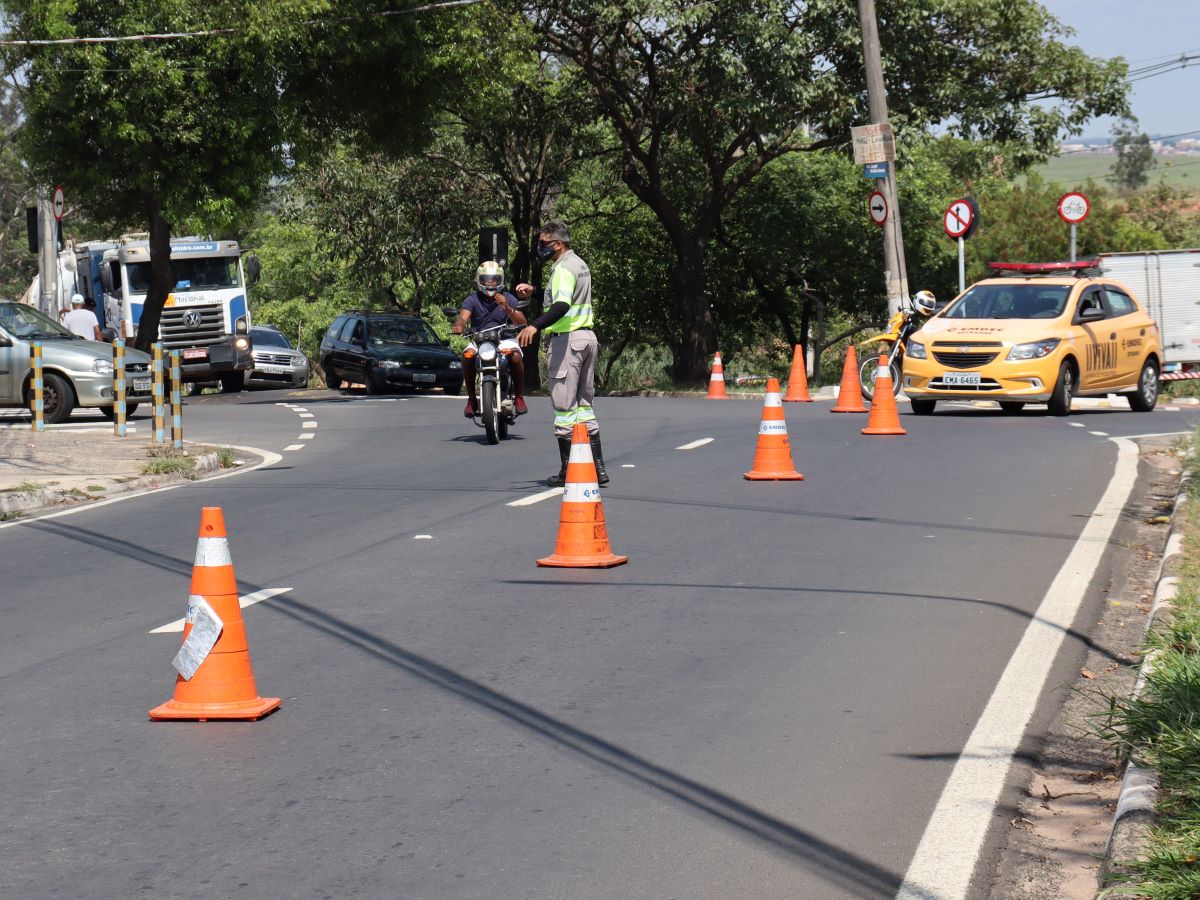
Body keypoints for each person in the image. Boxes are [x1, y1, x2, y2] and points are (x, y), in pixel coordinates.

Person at [516, 220, 608, 487]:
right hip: (587, 338)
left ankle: (568, 471)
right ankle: (599, 469)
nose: (540, 248)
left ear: (558, 244)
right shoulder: (579, 264)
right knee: (583, 408)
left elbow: (562, 305)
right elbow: (565, 297)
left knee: (564, 409)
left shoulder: (562, 269)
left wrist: (534, 325)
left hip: (568, 341)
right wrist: (535, 292)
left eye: (543, 243)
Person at [452, 261, 528, 418]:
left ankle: (519, 397)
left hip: (505, 339)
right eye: (487, 279)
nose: (491, 283)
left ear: (500, 280)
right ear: (480, 280)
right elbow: (463, 317)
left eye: (494, 279)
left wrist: (507, 307)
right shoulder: (472, 299)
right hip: (479, 340)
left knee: (515, 357)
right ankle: (472, 399)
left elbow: (522, 322)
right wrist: (459, 326)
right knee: (467, 357)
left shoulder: (508, 298)